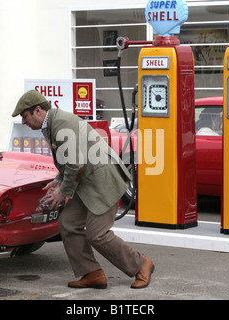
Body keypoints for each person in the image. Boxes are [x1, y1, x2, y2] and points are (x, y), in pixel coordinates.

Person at [12, 90, 154, 289]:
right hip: (87, 183)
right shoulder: (53, 123)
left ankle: (141, 264)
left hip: (102, 182)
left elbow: (75, 165)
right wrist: (58, 180)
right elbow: (69, 159)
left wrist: (62, 192)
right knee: (68, 223)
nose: (24, 121)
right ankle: (92, 273)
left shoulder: (61, 123)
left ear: (37, 111)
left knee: (97, 234)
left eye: (24, 116)